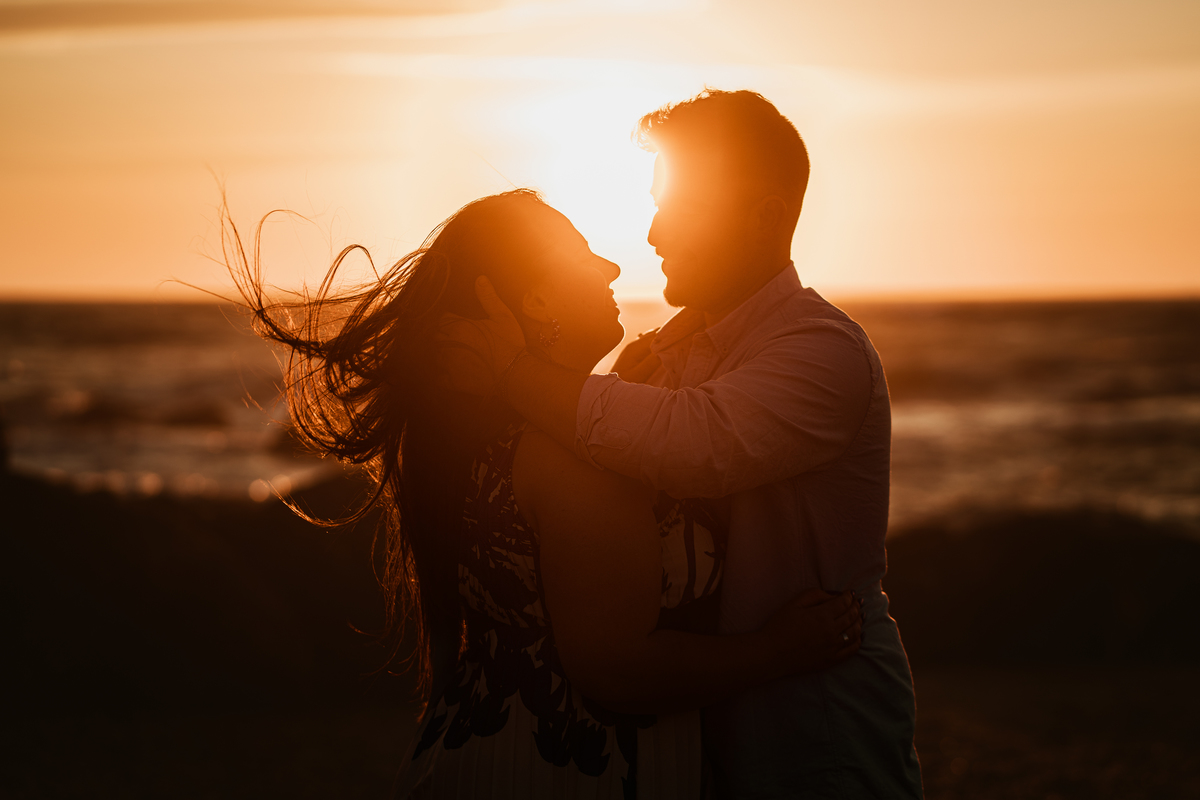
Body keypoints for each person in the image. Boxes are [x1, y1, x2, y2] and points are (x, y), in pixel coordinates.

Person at [223, 188, 862, 798]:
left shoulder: (475, 429)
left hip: (475, 751)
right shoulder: (576, 459)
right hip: (573, 773)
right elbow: (617, 669)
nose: (612, 265)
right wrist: (777, 650)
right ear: (534, 301)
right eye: (584, 256)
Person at [441, 90, 924, 798]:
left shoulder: (822, 351)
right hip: (703, 730)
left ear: (764, 216)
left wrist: (511, 371)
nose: (654, 235)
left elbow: (689, 445)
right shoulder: (669, 350)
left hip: (816, 724)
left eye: (682, 209)